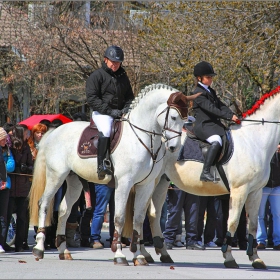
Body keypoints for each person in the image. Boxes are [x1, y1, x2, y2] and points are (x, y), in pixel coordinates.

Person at [86, 45, 134, 179]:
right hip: (102, 113)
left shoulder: (123, 76)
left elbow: (130, 96)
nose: (115, 65)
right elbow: (92, 98)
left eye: (118, 62)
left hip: (120, 112)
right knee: (106, 130)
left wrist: (127, 107)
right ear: (105, 59)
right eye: (113, 62)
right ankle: (102, 164)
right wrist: (110, 111)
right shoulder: (96, 76)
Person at [191, 61, 239, 182]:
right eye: (208, 77)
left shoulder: (210, 91)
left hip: (213, 125)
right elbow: (212, 110)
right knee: (216, 141)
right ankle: (205, 172)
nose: (211, 79)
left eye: (211, 77)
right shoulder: (197, 93)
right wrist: (228, 117)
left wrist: (231, 114)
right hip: (204, 126)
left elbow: (220, 105)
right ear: (199, 78)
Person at [7, 124, 33, 252]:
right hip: (11, 188)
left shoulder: (27, 147)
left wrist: (26, 168)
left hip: (23, 187)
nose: (27, 135)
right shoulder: (9, 146)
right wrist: (16, 168)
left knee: (22, 217)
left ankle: (20, 243)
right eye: (25, 133)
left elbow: (31, 166)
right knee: (7, 217)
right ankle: (4, 243)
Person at [164, 182, 204, 250]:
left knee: (193, 214)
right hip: (177, 183)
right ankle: (168, 240)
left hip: (192, 186)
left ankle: (191, 241)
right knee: (175, 213)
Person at [256, 144, 280, 250]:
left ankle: (277, 241)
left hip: (277, 186)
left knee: (277, 215)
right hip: (263, 186)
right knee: (260, 215)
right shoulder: (261, 150)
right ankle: (261, 241)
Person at [0, 127, 15, 253]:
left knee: (3, 217)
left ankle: (1, 243)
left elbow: (11, 166)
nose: (5, 140)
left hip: (4, 186)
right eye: (3, 138)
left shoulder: (8, 151)